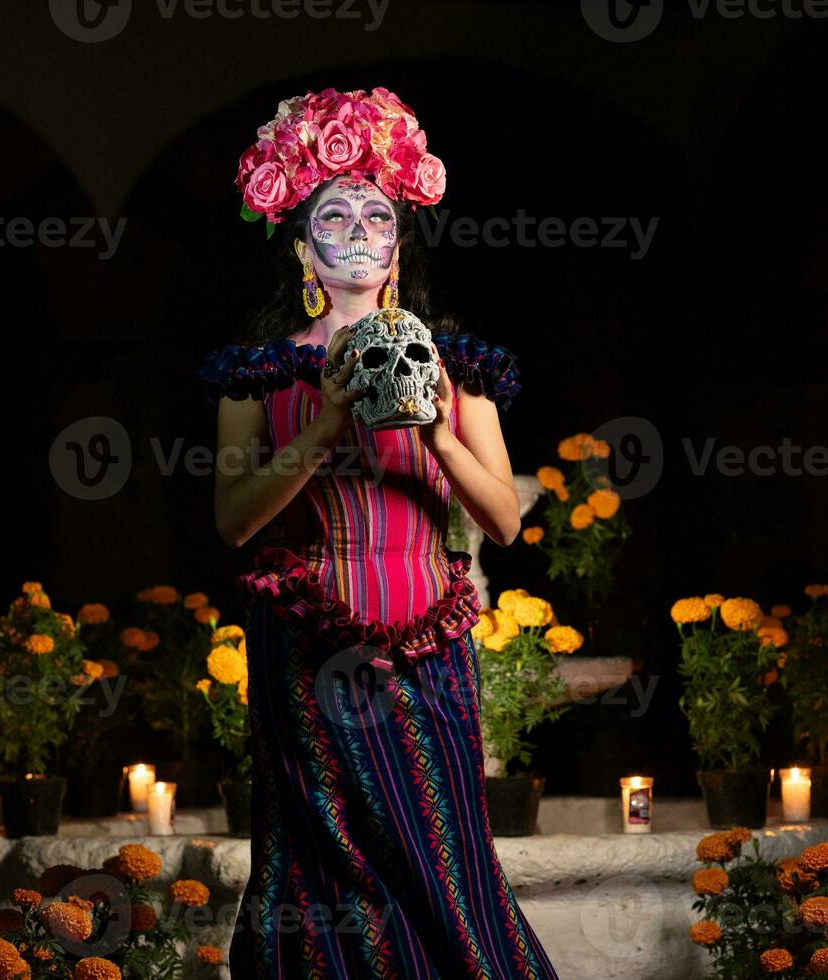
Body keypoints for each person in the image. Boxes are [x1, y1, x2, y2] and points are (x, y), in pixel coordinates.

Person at [197, 87, 561, 979]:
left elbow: (505, 522)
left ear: (400, 241)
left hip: (426, 652)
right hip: (306, 651)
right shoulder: (261, 374)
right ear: (301, 243)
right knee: (323, 873)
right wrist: (322, 431)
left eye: (377, 214)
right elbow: (235, 523)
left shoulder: (454, 362)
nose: (358, 230)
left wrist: (438, 431)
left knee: (443, 865)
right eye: (334, 214)